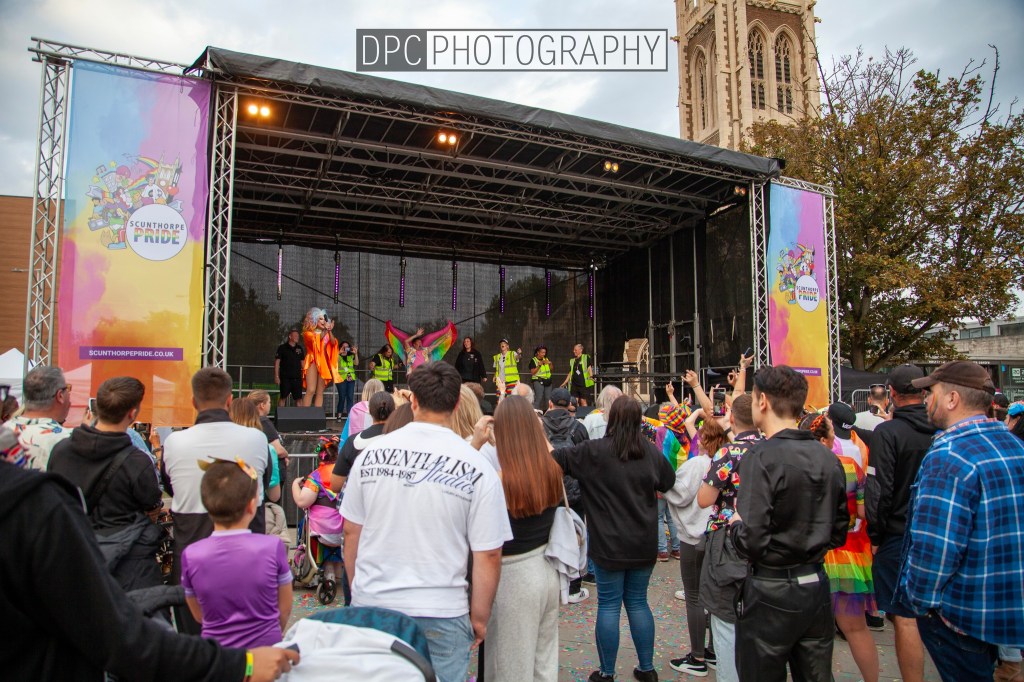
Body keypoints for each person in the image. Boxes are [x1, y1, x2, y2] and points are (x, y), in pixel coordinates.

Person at [0, 437, 299, 681]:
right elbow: (116, 634)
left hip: (217, 644)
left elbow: (194, 608)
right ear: (252, 505)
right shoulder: (32, 506)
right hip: (259, 647)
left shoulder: (192, 554)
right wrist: (257, 647)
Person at [341, 362, 512, 682]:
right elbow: (489, 552)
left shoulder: (369, 456)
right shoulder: (477, 465)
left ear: (413, 401)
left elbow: (351, 531)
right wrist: (479, 615)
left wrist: (357, 591)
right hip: (442, 610)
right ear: (457, 403)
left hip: (375, 603)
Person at [895, 361, 1024, 682]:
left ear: (952, 399)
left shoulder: (950, 455)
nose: (925, 400)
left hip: (960, 616)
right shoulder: (1015, 446)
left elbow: (935, 550)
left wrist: (921, 603)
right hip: (1003, 612)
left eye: (931, 393)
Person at [730, 365, 849, 682]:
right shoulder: (828, 457)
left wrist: (735, 524)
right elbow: (839, 533)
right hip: (815, 587)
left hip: (772, 590)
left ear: (763, 401)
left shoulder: (761, 456)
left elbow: (751, 541)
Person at [552, 396, 676, 682]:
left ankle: (606, 673)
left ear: (610, 418)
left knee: (608, 605)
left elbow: (555, 459)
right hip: (643, 541)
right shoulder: (650, 451)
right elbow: (668, 482)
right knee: (638, 602)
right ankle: (647, 669)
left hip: (607, 543)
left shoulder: (594, 451)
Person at [47, 376, 164, 592]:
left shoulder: (61, 451)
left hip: (75, 556)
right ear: (132, 414)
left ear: (96, 407)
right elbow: (152, 505)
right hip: (125, 566)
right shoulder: (138, 462)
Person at [161, 368, 272, 589]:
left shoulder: (174, 442)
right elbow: (264, 485)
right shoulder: (257, 439)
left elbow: (171, 488)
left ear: (193, 402)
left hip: (193, 556)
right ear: (230, 400)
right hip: (246, 560)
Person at [485, 395, 564, 682]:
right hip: (547, 568)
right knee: (543, 663)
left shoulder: (497, 480)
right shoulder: (551, 470)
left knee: (510, 668)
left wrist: (477, 441)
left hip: (513, 576)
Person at [863, 364, 933, 682]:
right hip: (941, 531)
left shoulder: (888, 433)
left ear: (891, 393)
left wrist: (875, 535)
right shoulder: (943, 429)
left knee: (904, 617)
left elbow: (880, 490)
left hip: (898, 535)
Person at [801, 412, 879, 682]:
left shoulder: (800, 466)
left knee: (813, 634)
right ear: (824, 438)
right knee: (856, 628)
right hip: (849, 555)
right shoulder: (849, 465)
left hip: (813, 555)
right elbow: (862, 509)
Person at [182, 459, 292, 648]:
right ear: (251, 506)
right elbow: (285, 607)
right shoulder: (272, 547)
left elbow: (199, 614)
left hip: (219, 657)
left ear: (207, 505)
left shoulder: (192, 555)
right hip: (265, 652)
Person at [695, 393, 762, 682]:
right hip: (765, 539)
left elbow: (703, 499)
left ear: (733, 417)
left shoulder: (729, 453)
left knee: (725, 619)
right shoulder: (771, 448)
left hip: (729, 541)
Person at [665, 415, 728, 677]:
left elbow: (678, 493)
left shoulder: (698, 464)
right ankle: (713, 650)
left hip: (694, 536)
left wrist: (663, 486)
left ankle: (697, 655)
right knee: (714, 596)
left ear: (704, 439)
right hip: (718, 536)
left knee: (694, 596)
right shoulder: (727, 462)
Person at [292, 436, 345, 593]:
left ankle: (319, 568)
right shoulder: (347, 475)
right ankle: (335, 567)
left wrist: (295, 485)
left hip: (321, 532)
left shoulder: (316, 476)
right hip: (344, 531)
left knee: (306, 525)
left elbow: (302, 502)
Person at [5, 365, 73, 471]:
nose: (69, 393)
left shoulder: (4, 431)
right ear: (60, 396)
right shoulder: (65, 440)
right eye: (67, 388)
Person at [330, 391, 396, 494]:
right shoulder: (403, 440)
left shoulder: (353, 441)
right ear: (393, 411)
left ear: (369, 411)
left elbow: (335, 485)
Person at [229, 397, 281, 504]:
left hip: (224, 509)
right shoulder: (267, 448)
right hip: (254, 509)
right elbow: (274, 495)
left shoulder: (220, 444)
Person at [300, 307, 341, 407]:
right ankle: (305, 417)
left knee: (319, 392)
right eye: (320, 319)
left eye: (324, 318)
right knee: (311, 390)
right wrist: (326, 331)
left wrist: (329, 330)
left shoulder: (326, 333)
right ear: (314, 320)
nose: (323, 321)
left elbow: (333, 343)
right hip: (312, 360)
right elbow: (317, 341)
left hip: (323, 362)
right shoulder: (308, 334)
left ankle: (316, 417)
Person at [274, 329, 305, 407]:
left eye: (298, 336)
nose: (297, 337)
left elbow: (303, 364)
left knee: (299, 399)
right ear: (290, 336)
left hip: (297, 378)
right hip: (285, 378)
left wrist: (306, 375)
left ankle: (299, 418)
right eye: (295, 336)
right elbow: (277, 362)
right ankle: (280, 417)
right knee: (283, 397)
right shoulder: (282, 347)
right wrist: (276, 376)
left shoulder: (300, 348)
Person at [335, 341, 359, 417]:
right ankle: (339, 415)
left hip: (351, 379)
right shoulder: (338, 356)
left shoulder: (351, 356)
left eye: (347, 347)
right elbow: (334, 362)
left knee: (350, 397)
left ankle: (349, 416)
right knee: (342, 397)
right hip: (341, 379)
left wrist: (355, 353)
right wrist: (339, 352)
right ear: (340, 347)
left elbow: (356, 363)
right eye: (343, 347)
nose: (345, 349)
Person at [529, 345, 555, 412]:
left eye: (545, 352)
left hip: (548, 381)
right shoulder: (533, 360)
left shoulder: (546, 359)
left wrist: (550, 363)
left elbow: (551, 369)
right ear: (538, 352)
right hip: (538, 381)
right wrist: (539, 365)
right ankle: (535, 413)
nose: (544, 354)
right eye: (542, 352)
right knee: (539, 397)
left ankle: (548, 413)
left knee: (548, 398)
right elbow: (533, 372)